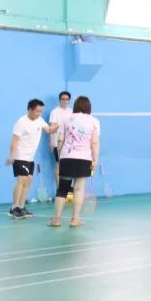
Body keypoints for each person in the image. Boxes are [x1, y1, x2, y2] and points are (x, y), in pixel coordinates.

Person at [49, 96, 99, 228]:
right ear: (89, 107)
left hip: (66, 157)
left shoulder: (66, 119)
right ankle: (75, 219)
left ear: (75, 105)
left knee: (62, 189)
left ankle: (56, 220)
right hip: (84, 159)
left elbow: (60, 140)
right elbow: (94, 143)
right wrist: (95, 160)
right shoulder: (94, 121)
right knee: (79, 188)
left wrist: (60, 157)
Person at [7, 99, 59, 219]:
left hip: (30, 158)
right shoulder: (21, 122)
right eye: (37, 111)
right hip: (20, 156)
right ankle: (14, 208)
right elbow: (14, 141)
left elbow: (49, 130)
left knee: (28, 181)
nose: (39, 114)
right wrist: (12, 155)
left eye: (41, 111)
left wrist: (58, 127)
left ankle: (21, 207)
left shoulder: (39, 120)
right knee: (21, 181)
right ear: (30, 109)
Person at [48, 91, 71, 189]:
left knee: (68, 167)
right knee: (59, 165)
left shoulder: (71, 112)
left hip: (70, 143)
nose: (65, 101)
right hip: (59, 142)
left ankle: (67, 189)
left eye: (67, 99)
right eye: (63, 99)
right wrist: (51, 142)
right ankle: (59, 189)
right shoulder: (55, 112)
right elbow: (51, 128)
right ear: (59, 100)